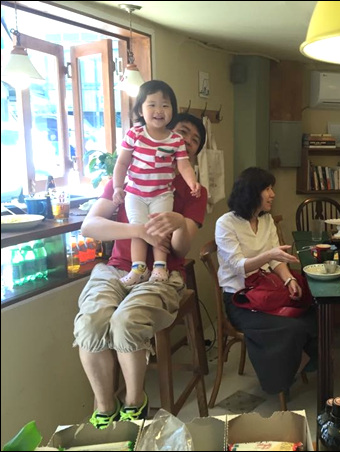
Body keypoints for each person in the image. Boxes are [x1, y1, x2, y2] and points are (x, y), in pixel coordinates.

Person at [73, 112, 208, 429]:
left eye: (195, 141)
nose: (188, 141)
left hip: (164, 273)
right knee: (90, 324)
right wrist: (138, 231)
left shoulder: (193, 191)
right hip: (117, 270)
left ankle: (135, 404)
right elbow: (89, 226)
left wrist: (178, 223)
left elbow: (180, 250)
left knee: (126, 321)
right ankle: (105, 408)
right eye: (183, 132)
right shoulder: (125, 178)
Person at [215, 167, 318, 395]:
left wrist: (288, 279)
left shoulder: (266, 219)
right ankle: (281, 380)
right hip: (240, 300)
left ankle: (295, 365)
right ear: (252, 192)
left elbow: (275, 260)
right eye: (268, 189)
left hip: (265, 291)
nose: (273, 194)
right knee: (292, 327)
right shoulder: (226, 223)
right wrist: (269, 255)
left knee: (315, 310)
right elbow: (238, 266)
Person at [112, 80, 201, 286]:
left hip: (162, 194)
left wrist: (192, 182)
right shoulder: (134, 134)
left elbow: (184, 165)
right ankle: (139, 269)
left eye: (165, 105)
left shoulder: (175, 140)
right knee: (138, 229)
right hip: (135, 193)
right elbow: (122, 162)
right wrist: (117, 187)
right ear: (140, 110)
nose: (159, 110)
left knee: (160, 229)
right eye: (152, 104)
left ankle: (160, 267)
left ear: (172, 111)